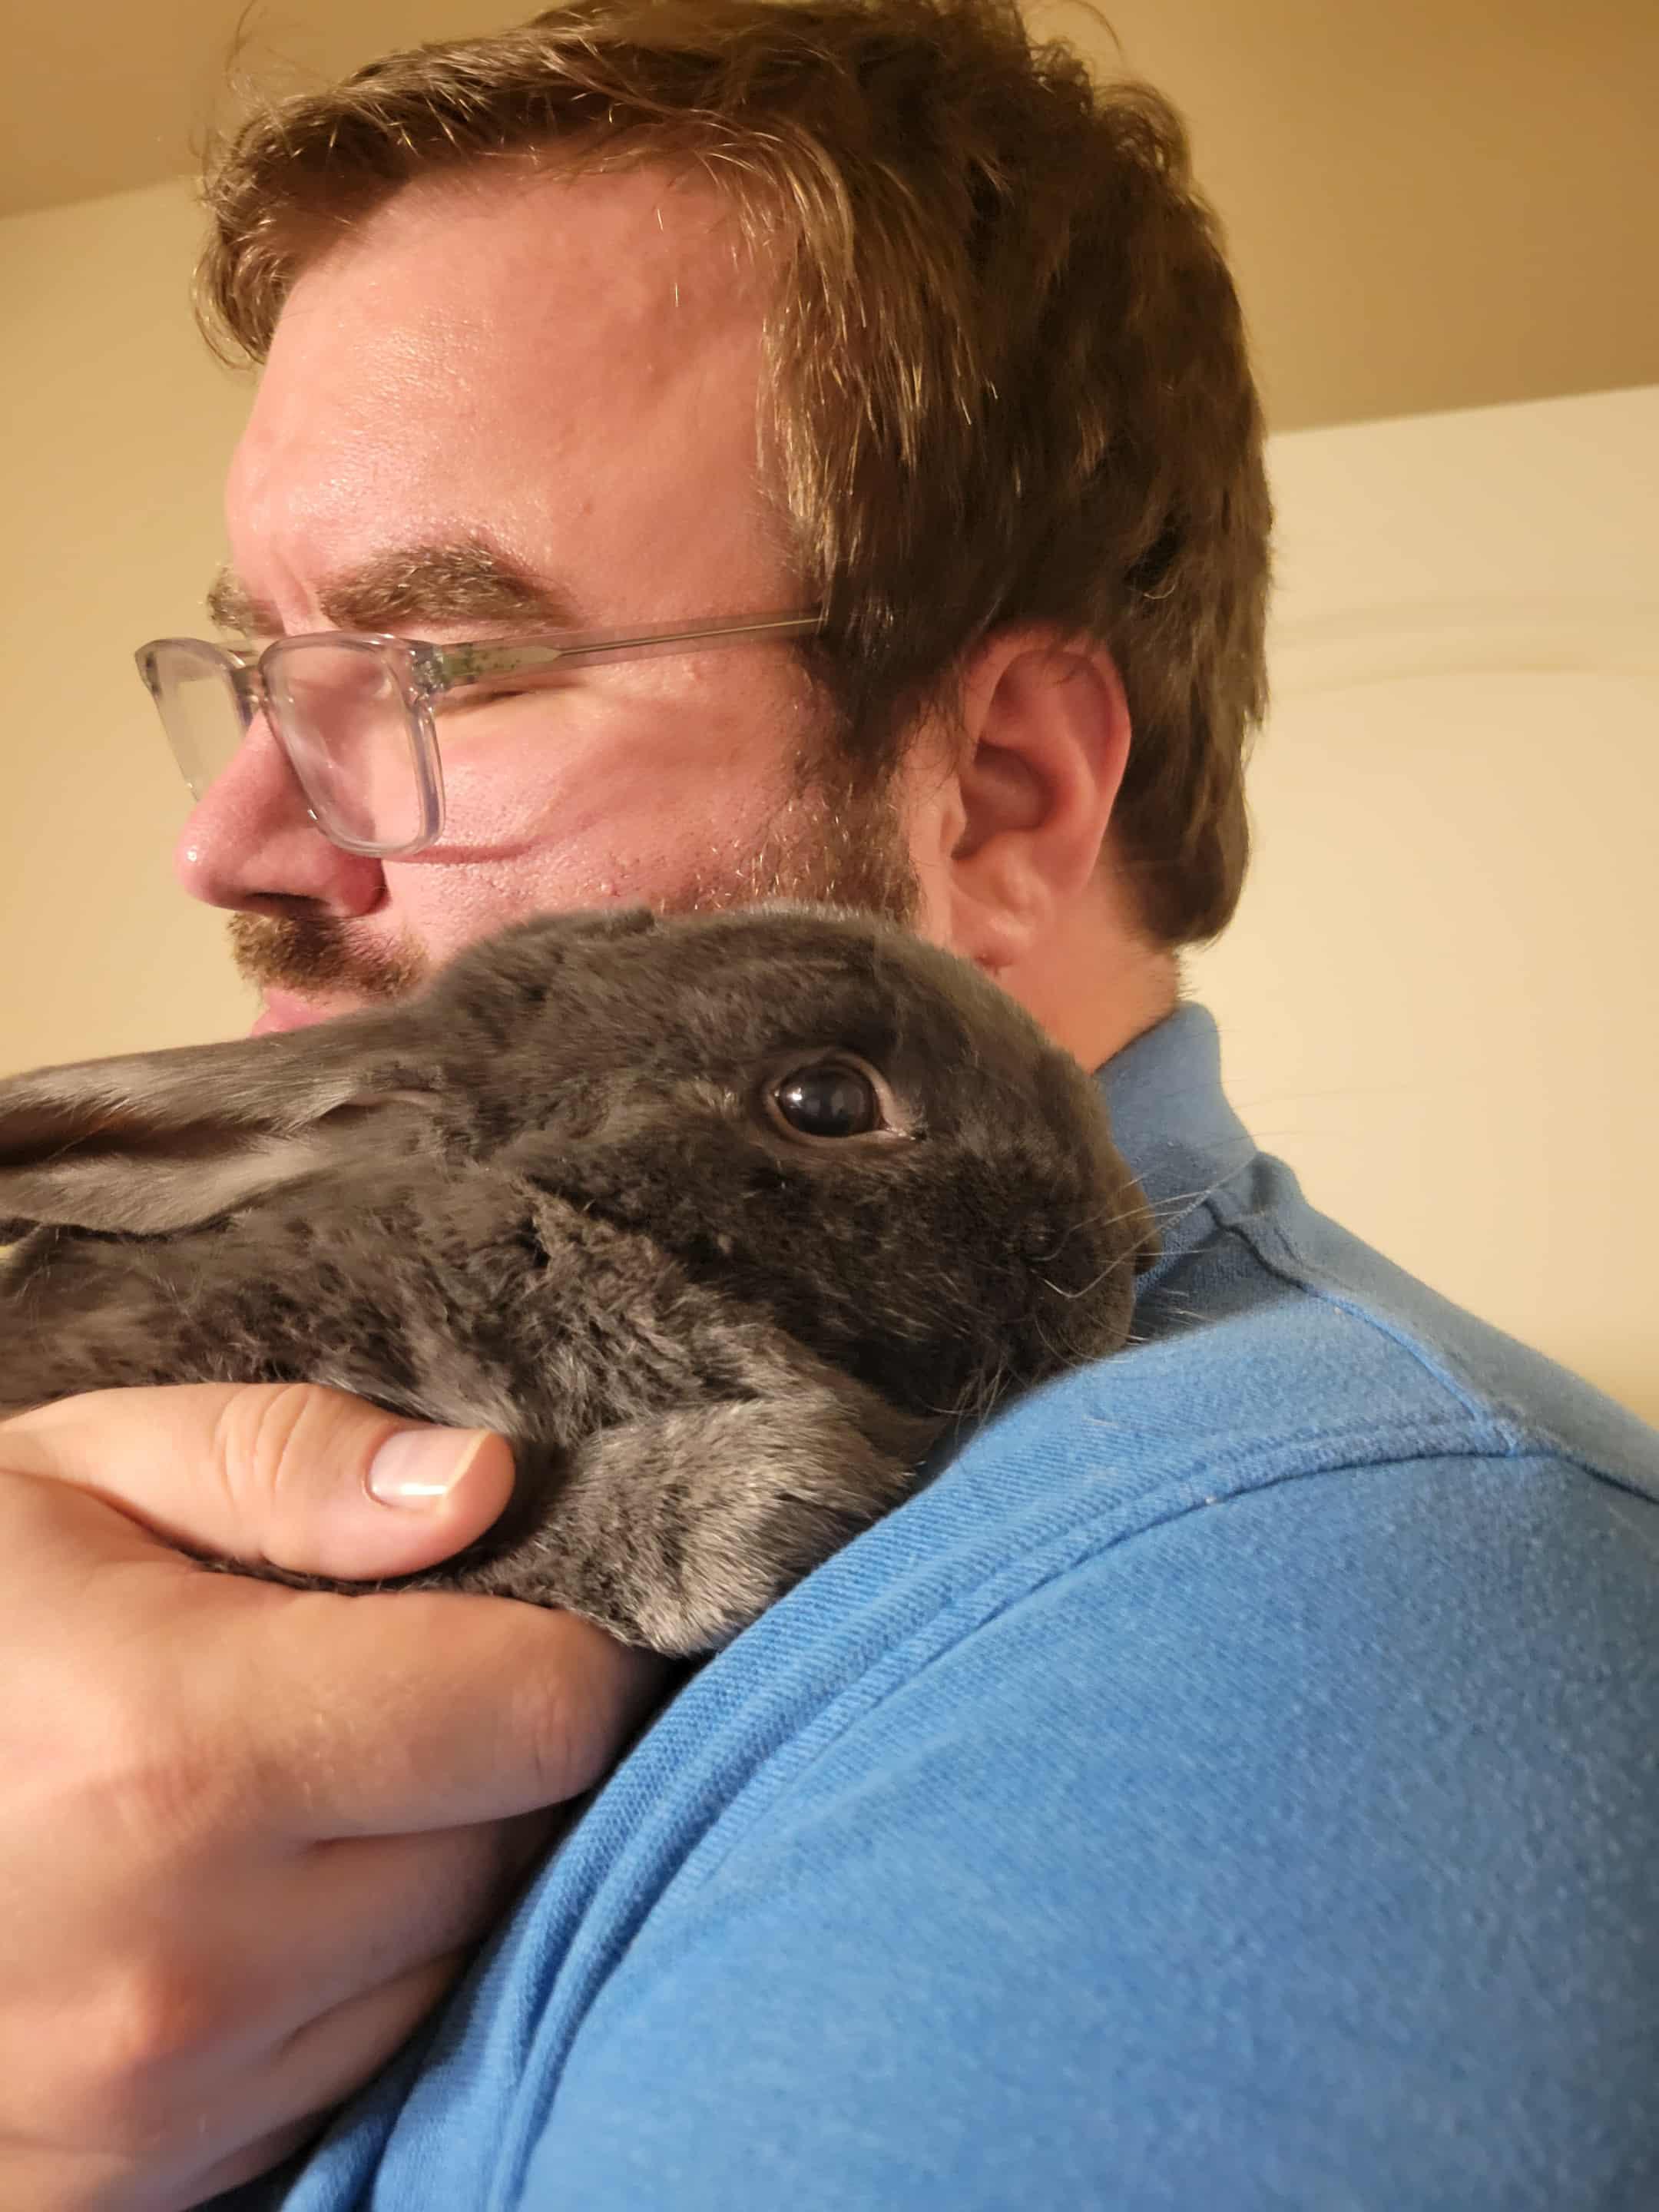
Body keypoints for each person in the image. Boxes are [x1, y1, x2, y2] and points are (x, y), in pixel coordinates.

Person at [4, 0, 1657, 2204]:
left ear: (1001, 791)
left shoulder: (1326, 1625)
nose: (235, 845)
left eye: (446, 668)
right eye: (263, 672)